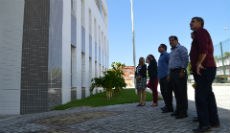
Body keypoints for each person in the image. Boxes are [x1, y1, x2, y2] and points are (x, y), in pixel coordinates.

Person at [190, 17, 220, 133]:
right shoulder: (200, 33)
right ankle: (214, 121)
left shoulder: (200, 32)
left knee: (201, 96)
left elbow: (204, 50)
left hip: (204, 68)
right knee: (208, 95)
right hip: (208, 68)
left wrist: (198, 63)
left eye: (193, 21)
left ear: (200, 23)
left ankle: (205, 125)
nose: (190, 23)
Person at [168, 35, 189, 119]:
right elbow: (171, 64)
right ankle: (178, 110)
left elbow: (185, 59)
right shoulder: (172, 51)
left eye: (172, 40)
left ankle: (183, 112)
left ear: (177, 40)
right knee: (176, 93)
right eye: (169, 41)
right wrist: (170, 74)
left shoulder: (181, 48)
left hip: (179, 72)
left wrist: (183, 70)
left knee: (182, 93)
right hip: (173, 73)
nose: (170, 42)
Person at [157, 44, 173, 113]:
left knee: (167, 93)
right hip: (161, 78)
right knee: (163, 92)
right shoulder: (161, 56)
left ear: (164, 48)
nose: (158, 48)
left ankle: (170, 107)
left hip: (166, 77)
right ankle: (167, 106)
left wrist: (169, 74)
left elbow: (171, 64)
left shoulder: (166, 55)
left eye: (160, 47)